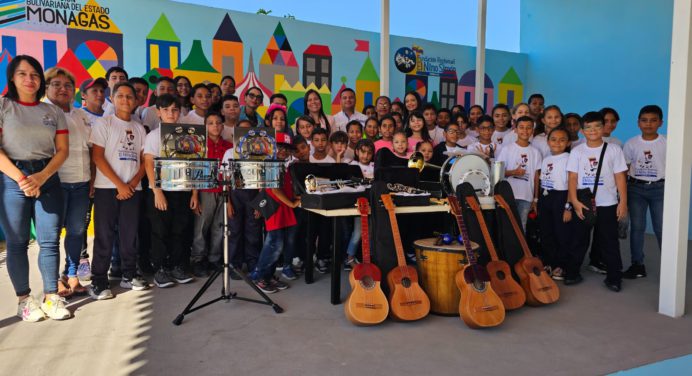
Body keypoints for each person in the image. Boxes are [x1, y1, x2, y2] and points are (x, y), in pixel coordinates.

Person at [0, 55, 70, 321]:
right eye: (22, 74)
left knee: (50, 240)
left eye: (35, 75)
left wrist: (41, 176)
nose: (30, 79)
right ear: (12, 78)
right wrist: (22, 179)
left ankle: (52, 297)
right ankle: (24, 300)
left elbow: (62, 151)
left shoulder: (52, 112)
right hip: (12, 178)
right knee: (17, 242)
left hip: (48, 177)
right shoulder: (3, 106)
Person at [89, 82, 149, 299]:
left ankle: (129, 274)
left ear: (136, 101)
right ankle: (98, 280)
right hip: (107, 188)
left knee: (129, 234)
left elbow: (145, 161)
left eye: (130, 96)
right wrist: (120, 184)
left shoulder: (140, 128)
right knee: (104, 235)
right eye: (120, 96)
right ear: (112, 99)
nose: (125, 100)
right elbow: (97, 157)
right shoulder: (104, 123)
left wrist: (132, 184)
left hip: (134, 189)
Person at [567, 111, 628, 292]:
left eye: (597, 126)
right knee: (578, 240)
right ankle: (572, 273)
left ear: (604, 128)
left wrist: (622, 202)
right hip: (583, 204)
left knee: (609, 242)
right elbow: (572, 178)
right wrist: (574, 202)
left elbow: (620, 178)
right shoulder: (577, 151)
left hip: (607, 204)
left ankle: (614, 278)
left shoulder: (614, 150)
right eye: (588, 127)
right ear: (582, 131)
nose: (592, 130)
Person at [44, 67, 91, 297]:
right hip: (55, 183)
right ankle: (53, 282)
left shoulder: (80, 114)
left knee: (76, 232)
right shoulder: (43, 114)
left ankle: (71, 275)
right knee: (51, 235)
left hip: (81, 182)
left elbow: (89, 149)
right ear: (47, 88)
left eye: (68, 85)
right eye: (57, 84)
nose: (63, 89)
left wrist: (91, 179)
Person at [143, 94, 196, 287]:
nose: (171, 113)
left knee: (179, 230)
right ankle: (160, 269)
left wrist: (194, 193)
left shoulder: (188, 136)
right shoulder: (153, 136)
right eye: (166, 110)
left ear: (180, 112)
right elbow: (148, 163)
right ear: (158, 112)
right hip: (161, 191)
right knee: (160, 231)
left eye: (174, 109)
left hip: (182, 190)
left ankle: (176, 266)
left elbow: (193, 165)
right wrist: (157, 192)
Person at [252, 133, 301, 293]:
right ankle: (259, 276)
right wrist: (292, 203)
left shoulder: (283, 165)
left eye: (286, 148)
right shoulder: (271, 164)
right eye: (280, 147)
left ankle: (269, 275)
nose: (283, 151)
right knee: (273, 244)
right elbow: (274, 189)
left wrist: (295, 197)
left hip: (284, 209)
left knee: (278, 246)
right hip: (275, 209)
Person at [622, 105, 666, 279]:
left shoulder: (667, 143)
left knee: (662, 228)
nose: (648, 124)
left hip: (660, 189)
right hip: (636, 189)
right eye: (644, 120)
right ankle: (637, 264)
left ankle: (669, 265)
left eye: (653, 120)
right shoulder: (632, 143)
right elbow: (624, 169)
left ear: (661, 123)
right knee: (637, 228)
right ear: (638, 123)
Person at [190, 111, 232, 278]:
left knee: (219, 227)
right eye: (211, 123)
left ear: (222, 126)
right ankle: (197, 260)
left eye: (218, 122)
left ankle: (214, 258)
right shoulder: (199, 145)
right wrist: (194, 195)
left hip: (224, 192)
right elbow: (194, 170)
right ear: (205, 126)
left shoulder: (229, 146)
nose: (215, 125)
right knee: (201, 227)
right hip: (204, 191)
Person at [537, 127, 574, 281]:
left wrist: (568, 207)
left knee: (562, 233)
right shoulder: (546, 159)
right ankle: (548, 262)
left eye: (562, 140)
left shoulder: (569, 159)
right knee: (546, 232)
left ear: (568, 142)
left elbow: (572, 185)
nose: (557, 143)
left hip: (561, 197)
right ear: (548, 141)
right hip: (546, 196)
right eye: (553, 139)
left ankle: (561, 265)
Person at [497, 115, 542, 231]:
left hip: (526, 196)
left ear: (533, 130)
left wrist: (535, 199)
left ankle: (520, 250)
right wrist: (513, 172)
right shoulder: (507, 149)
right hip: (508, 195)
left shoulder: (535, 152)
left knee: (522, 226)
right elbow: (498, 172)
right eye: (521, 127)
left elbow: (536, 177)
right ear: (515, 130)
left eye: (528, 127)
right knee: (506, 226)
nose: (525, 131)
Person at [343, 139, 375, 269]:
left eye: (369, 153)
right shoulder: (351, 165)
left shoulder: (375, 166)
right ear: (356, 152)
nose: (365, 156)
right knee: (358, 233)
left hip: (372, 204)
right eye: (362, 152)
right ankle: (349, 258)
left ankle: (370, 259)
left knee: (371, 233)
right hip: (358, 204)